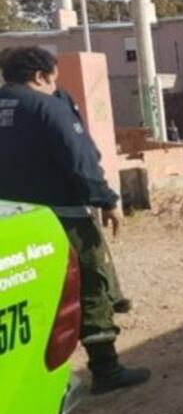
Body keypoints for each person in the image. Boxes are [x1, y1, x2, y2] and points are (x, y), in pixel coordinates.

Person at [0, 47, 151, 395]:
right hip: (64, 220)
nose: (56, 85)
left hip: (13, 224)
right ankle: (106, 368)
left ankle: (34, 383)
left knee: (33, 296)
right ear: (39, 76)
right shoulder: (49, 107)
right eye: (53, 78)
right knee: (90, 286)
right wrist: (107, 200)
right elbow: (79, 161)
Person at [53, 87, 132, 315]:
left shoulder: (52, 100)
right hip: (69, 202)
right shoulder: (54, 104)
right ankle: (101, 309)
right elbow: (82, 156)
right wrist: (106, 201)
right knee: (90, 254)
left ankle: (113, 295)